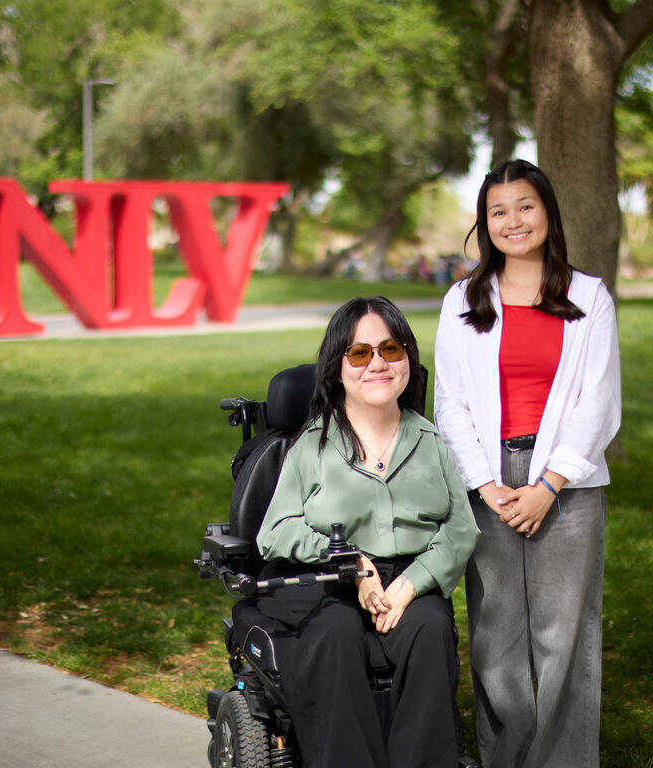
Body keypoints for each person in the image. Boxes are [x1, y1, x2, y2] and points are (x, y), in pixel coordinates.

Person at [433, 159, 621, 768]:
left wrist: (547, 485)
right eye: (498, 211)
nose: (513, 220)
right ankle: (507, 758)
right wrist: (487, 486)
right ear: (485, 225)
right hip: (488, 487)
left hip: (567, 487)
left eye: (525, 206)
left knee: (565, 637)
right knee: (496, 638)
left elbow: (599, 400)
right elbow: (450, 402)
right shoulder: (463, 300)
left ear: (547, 211)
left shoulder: (588, 296)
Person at [255, 296, 480, 768]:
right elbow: (274, 531)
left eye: (390, 349)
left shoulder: (430, 442)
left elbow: (460, 528)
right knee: (335, 632)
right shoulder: (313, 445)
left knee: (431, 627)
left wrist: (411, 585)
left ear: (407, 361)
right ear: (338, 368)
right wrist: (350, 562)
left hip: (407, 579)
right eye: (359, 353)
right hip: (327, 578)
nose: (377, 363)